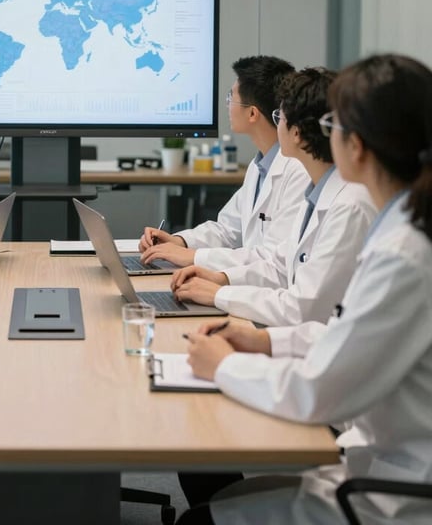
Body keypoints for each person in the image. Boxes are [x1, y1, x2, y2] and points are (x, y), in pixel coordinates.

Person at [178, 53, 432, 525]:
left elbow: (320, 390)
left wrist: (226, 366)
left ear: (356, 145)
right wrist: (264, 339)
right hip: (373, 462)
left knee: (200, 517)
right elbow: (348, 331)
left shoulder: (403, 253)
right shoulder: (402, 230)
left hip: (388, 493)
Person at [170, 67, 376, 326]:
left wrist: (220, 294)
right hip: (294, 327)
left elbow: (303, 308)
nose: (276, 123)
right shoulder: (317, 191)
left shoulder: (349, 205)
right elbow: (280, 264)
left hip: (309, 337)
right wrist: (221, 279)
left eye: (279, 116)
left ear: (297, 133)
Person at [140, 55, 310, 272]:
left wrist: (192, 256)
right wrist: (179, 242)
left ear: (252, 113)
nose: (228, 104)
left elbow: (273, 259)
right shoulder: (261, 165)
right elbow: (227, 230)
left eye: (232, 97)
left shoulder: (298, 171)